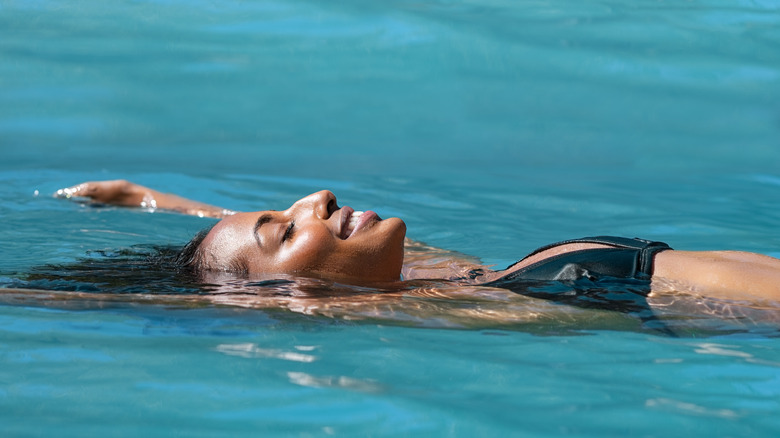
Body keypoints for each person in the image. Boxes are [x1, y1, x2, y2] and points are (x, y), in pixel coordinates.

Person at [55, 180, 780, 313]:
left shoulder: (429, 270)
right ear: (286, 296)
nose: (318, 199)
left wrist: (149, 198)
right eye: (285, 227)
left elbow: (236, 231)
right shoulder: (359, 306)